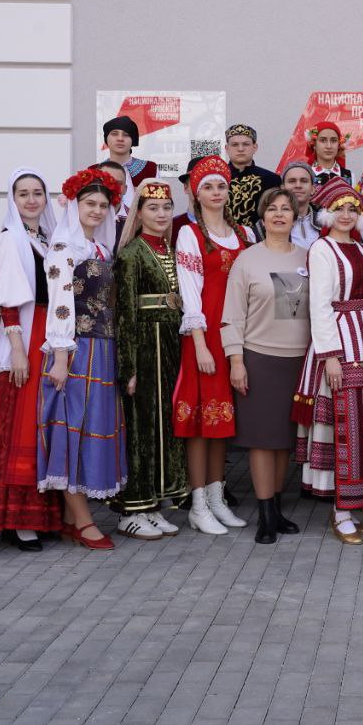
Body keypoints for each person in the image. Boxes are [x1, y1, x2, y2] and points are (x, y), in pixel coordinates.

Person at [0, 167, 62, 551]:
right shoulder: (11, 239)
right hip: (23, 337)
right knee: (21, 429)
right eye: (23, 193)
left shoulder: (49, 239)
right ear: (13, 199)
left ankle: (41, 516)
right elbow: (7, 299)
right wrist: (19, 351)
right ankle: (16, 520)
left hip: (48, 335)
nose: (31, 199)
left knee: (44, 427)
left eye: (37, 192)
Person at [37, 167, 127, 550]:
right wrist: (60, 357)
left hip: (102, 349)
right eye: (90, 203)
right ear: (74, 205)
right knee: (73, 428)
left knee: (92, 428)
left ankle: (72, 519)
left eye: (103, 205)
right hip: (77, 349)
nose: (97, 210)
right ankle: (84, 520)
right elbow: (61, 305)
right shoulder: (64, 249)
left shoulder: (98, 248)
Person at [292, 177, 363, 543]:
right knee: (343, 427)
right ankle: (340, 510)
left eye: (353, 209)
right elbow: (319, 306)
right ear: (328, 213)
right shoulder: (322, 248)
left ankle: (353, 504)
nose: (346, 214)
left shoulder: (361, 247)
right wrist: (330, 356)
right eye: (340, 208)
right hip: (341, 345)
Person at [223, 188, 312, 544]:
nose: (279, 214)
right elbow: (232, 315)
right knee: (262, 440)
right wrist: (236, 361)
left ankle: (276, 509)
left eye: (286, 209)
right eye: (272, 209)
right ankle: (263, 515)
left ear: (295, 216)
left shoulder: (308, 257)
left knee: (283, 440)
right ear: (262, 216)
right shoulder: (247, 260)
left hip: (298, 361)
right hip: (259, 358)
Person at [173, 156, 251, 534]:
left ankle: (218, 498)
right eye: (208, 187)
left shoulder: (244, 234)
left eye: (221, 186)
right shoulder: (190, 234)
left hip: (235, 337)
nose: (216, 192)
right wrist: (200, 345)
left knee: (223, 420)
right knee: (201, 423)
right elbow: (190, 293)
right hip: (203, 338)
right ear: (196, 193)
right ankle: (198, 503)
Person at [110, 179, 190, 540]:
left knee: (163, 425)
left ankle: (154, 504)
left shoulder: (172, 249)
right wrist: (127, 367)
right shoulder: (131, 254)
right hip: (145, 348)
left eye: (166, 207)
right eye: (153, 208)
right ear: (139, 213)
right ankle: (132, 508)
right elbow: (125, 313)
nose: (161, 214)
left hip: (169, 346)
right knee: (141, 428)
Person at [224, 123, 281, 230]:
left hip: (260, 237)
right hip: (220, 237)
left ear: (255, 147)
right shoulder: (217, 178)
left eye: (246, 144)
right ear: (227, 148)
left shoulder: (271, 179)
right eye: (235, 145)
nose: (240, 149)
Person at [103, 115, 154, 217]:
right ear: (106, 138)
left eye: (126, 135)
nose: (120, 139)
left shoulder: (150, 169)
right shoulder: (94, 171)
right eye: (114, 134)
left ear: (133, 140)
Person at [280, 161, 320, 249]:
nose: (298, 185)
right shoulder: (269, 223)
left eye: (304, 181)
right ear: (282, 188)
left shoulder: (325, 223)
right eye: (292, 181)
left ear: (313, 189)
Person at [307, 120, 353, 187]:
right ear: (314, 144)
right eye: (323, 140)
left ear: (339, 144)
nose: (329, 146)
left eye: (333, 140)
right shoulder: (305, 175)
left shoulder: (350, 176)